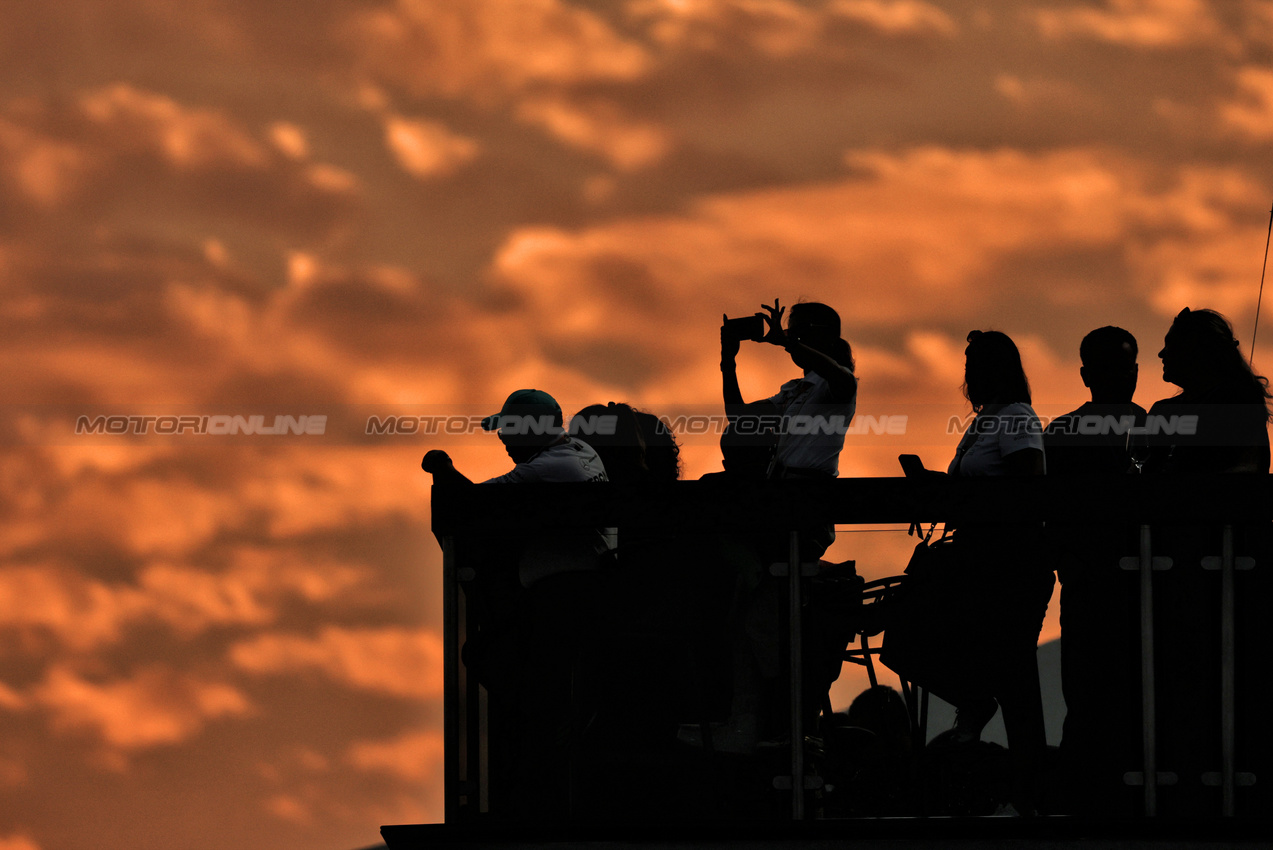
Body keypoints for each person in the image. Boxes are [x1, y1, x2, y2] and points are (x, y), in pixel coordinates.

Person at [422, 388, 612, 821]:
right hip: (567, 596)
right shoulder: (578, 450)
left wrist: (442, 469)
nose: (503, 440)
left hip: (562, 603)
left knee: (497, 665)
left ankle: (550, 751)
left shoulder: (546, 468)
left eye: (509, 430)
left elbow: (472, 507)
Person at [941, 330, 1052, 814]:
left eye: (974, 365)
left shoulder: (1016, 418)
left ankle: (1031, 789)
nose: (966, 375)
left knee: (1015, 678)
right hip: (983, 565)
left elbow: (1028, 482)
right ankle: (1024, 785)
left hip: (1008, 566)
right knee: (1008, 673)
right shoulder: (987, 421)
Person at [1043, 327, 1146, 815]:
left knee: (1093, 694)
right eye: (1115, 368)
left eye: (1125, 367)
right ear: (1087, 375)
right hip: (1107, 583)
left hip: (1107, 582)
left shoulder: (1064, 432)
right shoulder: (1154, 428)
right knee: (1097, 693)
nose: (1123, 378)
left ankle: (1085, 796)